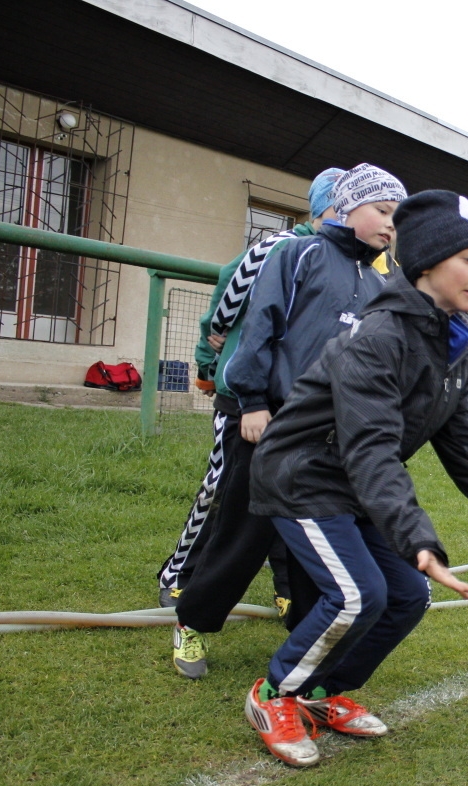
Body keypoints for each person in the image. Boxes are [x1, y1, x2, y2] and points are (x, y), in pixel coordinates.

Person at [241, 189, 468, 767]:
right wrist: (418, 539)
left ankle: (323, 695)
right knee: (356, 596)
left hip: (353, 483)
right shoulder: (377, 339)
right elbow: (372, 448)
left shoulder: (453, 343)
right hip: (302, 477)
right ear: (428, 262)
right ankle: (275, 694)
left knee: (406, 596)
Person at [169, 163, 408, 680]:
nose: (392, 224)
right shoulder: (298, 255)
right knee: (243, 532)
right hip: (267, 424)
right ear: (346, 206)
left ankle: (309, 627)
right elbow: (260, 328)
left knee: (314, 542)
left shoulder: (380, 280)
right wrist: (253, 401)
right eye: (383, 211)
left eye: (399, 217)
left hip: (326, 438)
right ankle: (192, 620)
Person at [156, 167, 344, 614]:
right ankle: (179, 574)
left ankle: (286, 587)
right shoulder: (279, 246)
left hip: (296, 401)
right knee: (223, 488)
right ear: (325, 209)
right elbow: (225, 306)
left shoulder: (346, 262)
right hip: (245, 396)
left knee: (286, 494)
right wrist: (209, 360)